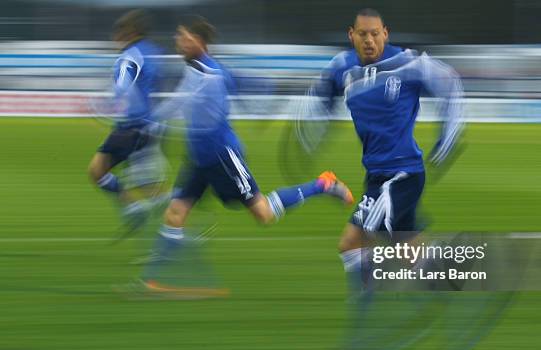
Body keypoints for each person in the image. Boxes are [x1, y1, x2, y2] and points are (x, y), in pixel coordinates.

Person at [139, 16, 354, 294]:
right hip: (199, 158)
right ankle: (153, 280)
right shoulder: (196, 70)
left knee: (262, 213)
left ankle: (322, 184)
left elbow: (181, 102)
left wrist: (147, 121)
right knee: (176, 212)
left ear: (198, 42)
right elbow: (230, 83)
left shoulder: (210, 77)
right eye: (178, 36)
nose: (178, 41)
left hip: (222, 157)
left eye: (183, 36)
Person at [303, 8, 464, 293]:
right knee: (405, 246)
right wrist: (314, 122)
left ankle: (368, 300)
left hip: (401, 174)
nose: (369, 40)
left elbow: (450, 82)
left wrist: (446, 139)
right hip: (376, 174)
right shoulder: (342, 67)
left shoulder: (408, 63)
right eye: (362, 34)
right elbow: (323, 92)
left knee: (354, 242)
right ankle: (447, 283)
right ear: (351, 35)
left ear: (385, 34)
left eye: (375, 34)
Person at [87, 9, 167, 232]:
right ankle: (171, 214)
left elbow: (122, 88)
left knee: (96, 170)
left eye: (118, 32)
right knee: (148, 185)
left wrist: (101, 106)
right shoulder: (154, 52)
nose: (115, 37)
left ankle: (138, 207)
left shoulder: (129, 56)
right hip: (152, 126)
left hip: (131, 126)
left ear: (129, 31)